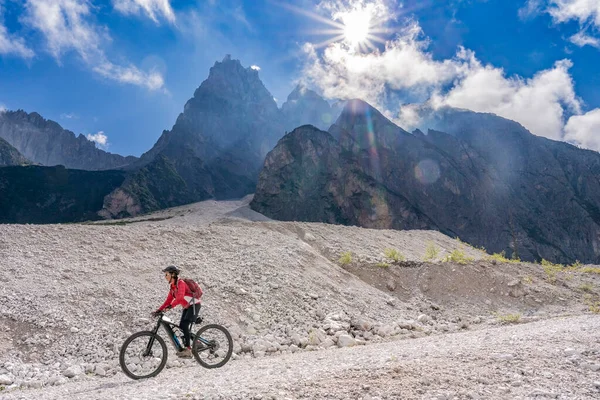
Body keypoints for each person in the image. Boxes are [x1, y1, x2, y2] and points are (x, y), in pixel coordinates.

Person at [152, 266, 201, 358]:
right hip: (187, 306)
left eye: (167, 274)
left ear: (173, 274)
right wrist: (158, 310)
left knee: (185, 324)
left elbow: (180, 298)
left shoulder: (181, 283)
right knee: (182, 326)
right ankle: (197, 342)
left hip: (194, 305)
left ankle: (188, 350)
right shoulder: (173, 287)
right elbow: (168, 301)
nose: (165, 276)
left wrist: (170, 307)